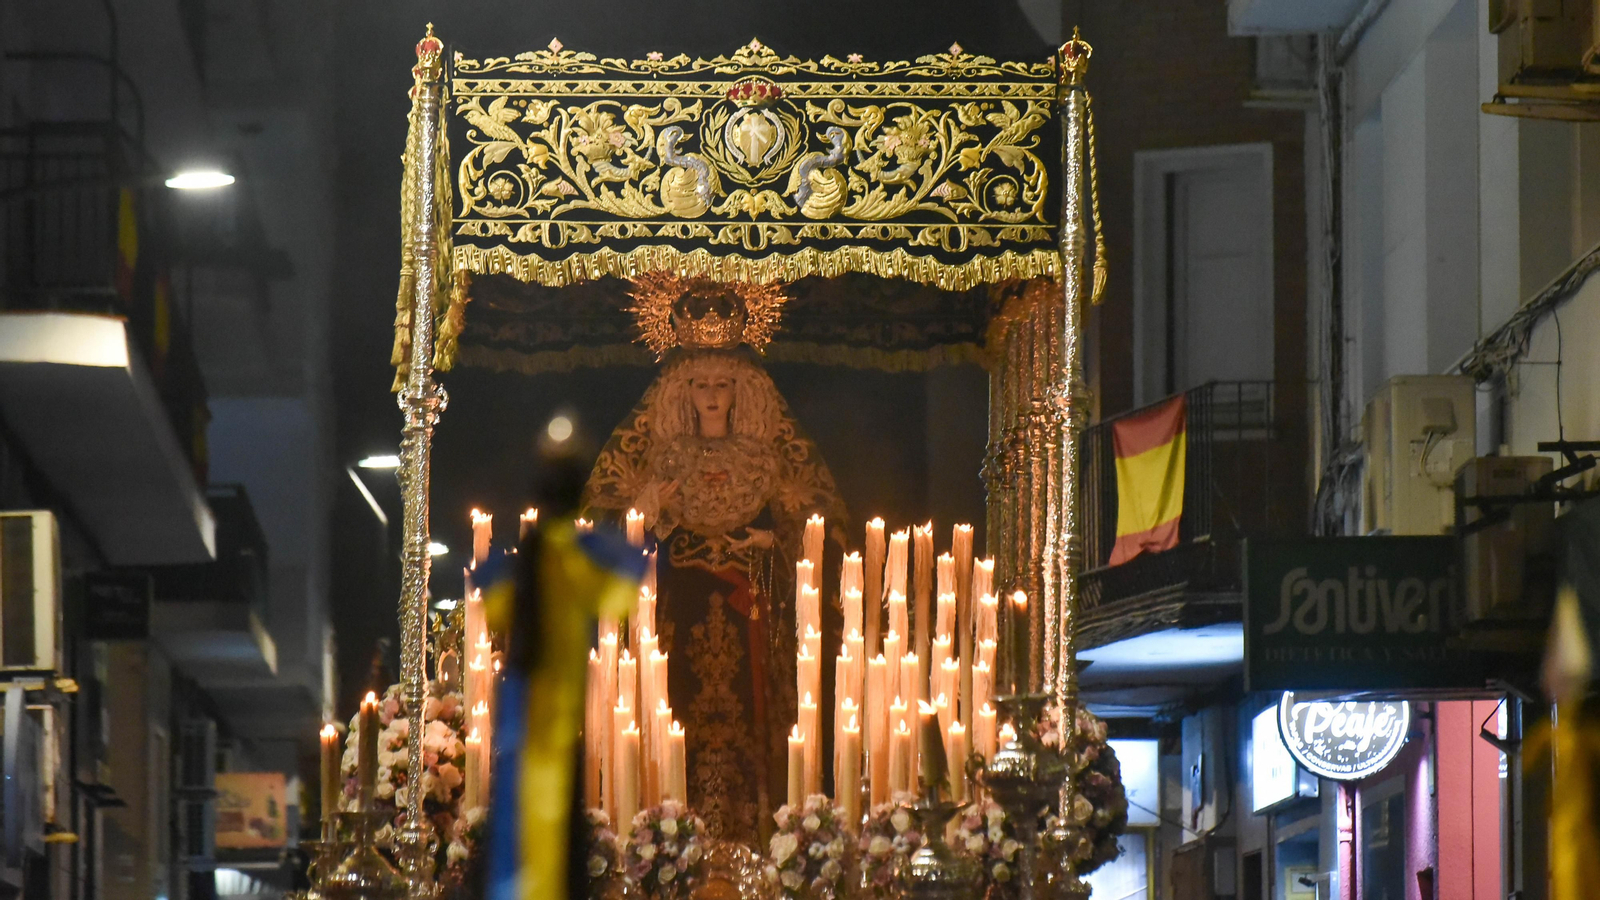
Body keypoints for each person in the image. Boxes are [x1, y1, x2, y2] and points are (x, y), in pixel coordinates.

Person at [586, 280, 844, 842]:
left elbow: (812, 533)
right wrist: (647, 516)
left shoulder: (762, 461)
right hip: (681, 612)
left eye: (723, 385)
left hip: (747, 612)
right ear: (682, 392)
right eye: (700, 384)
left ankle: (752, 834)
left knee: (751, 724)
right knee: (675, 716)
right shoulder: (665, 458)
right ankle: (673, 834)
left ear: (741, 392)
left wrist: (769, 549)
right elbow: (616, 538)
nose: (711, 395)